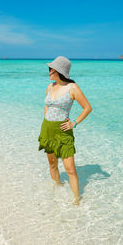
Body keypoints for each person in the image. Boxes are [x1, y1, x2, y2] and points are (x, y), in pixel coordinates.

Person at [38, 56, 92, 205]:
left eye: (52, 69)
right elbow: (47, 105)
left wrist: (74, 123)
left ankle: (77, 200)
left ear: (60, 71)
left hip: (63, 132)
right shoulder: (50, 86)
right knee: (52, 164)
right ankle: (57, 188)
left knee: (71, 170)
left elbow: (87, 108)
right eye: (49, 68)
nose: (49, 71)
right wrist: (47, 118)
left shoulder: (72, 88)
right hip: (47, 130)